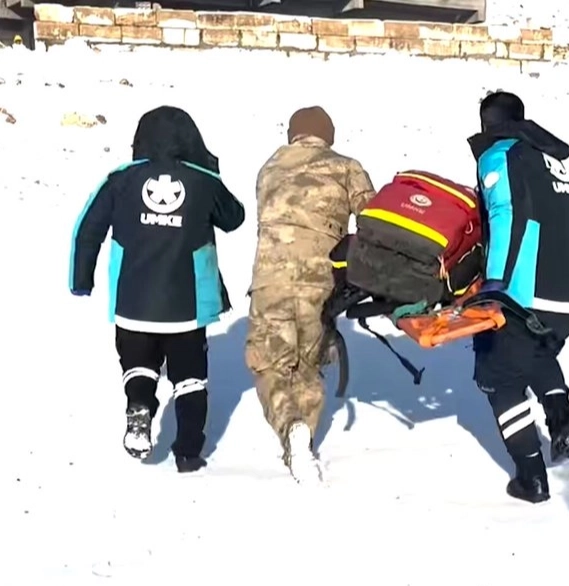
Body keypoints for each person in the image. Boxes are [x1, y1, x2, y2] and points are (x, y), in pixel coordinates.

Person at [68, 105, 245, 472]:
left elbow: (87, 229)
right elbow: (234, 218)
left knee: (138, 364)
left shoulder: (119, 180)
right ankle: (188, 453)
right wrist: (208, 172)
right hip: (188, 305)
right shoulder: (202, 181)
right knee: (190, 378)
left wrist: (81, 280)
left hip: (132, 301)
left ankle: (139, 407)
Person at [466, 91, 569, 504]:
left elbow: (508, 216)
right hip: (567, 290)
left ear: (488, 124)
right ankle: (562, 418)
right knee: (533, 350)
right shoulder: (548, 159)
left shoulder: (500, 154)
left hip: (527, 288)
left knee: (499, 376)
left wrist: (495, 285)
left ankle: (530, 476)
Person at [245, 105, 376, 482]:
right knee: (307, 364)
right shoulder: (346, 167)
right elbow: (373, 219)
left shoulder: (269, 168)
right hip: (320, 282)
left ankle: (291, 429)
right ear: (327, 136)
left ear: (293, 134)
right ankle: (303, 440)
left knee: (270, 363)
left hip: (269, 280)